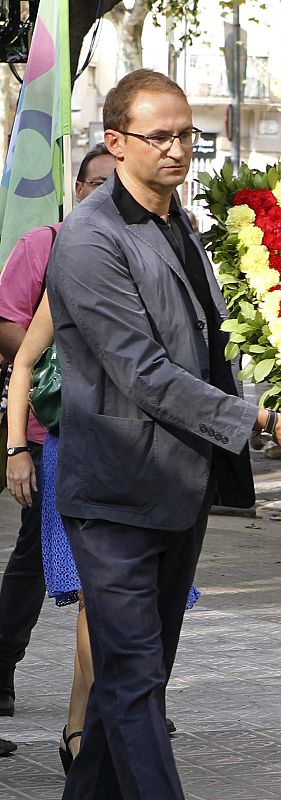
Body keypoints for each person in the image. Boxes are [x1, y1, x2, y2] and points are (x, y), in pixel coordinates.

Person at [46, 69, 281, 800]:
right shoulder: (89, 239)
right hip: (116, 496)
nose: (178, 149)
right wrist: (255, 419)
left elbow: (206, 343)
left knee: (131, 683)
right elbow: (144, 372)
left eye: (187, 134)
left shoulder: (180, 220)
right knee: (132, 681)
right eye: (159, 136)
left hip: (178, 488)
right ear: (117, 142)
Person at [0, 143, 115, 726]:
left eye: (113, 184)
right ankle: (3, 666)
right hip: (54, 433)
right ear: (76, 189)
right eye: (95, 183)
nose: (104, 193)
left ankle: (120, 695)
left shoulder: (147, 247)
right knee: (36, 559)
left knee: (113, 573)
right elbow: (9, 334)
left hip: (124, 443)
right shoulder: (43, 247)